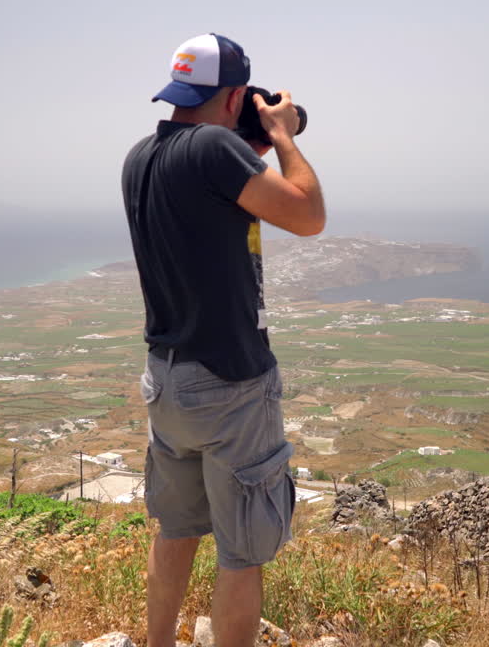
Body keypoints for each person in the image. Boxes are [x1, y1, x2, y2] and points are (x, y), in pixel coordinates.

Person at [120, 33, 325, 647]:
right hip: (231, 382)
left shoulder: (141, 155)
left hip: (168, 377)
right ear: (236, 94)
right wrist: (283, 135)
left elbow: (208, 197)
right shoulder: (213, 149)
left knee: (176, 529)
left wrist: (249, 142)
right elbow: (307, 215)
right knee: (241, 551)